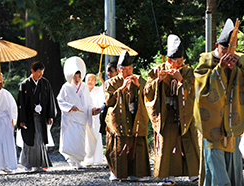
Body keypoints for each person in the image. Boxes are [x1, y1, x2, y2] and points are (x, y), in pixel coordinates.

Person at [144, 34, 200, 186]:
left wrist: (180, 80)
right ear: (169, 60)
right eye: (177, 61)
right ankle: (170, 177)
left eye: (182, 60)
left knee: (189, 141)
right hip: (167, 112)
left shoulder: (187, 71)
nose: (180, 63)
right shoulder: (158, 70)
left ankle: (194, 174)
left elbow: (193, 90)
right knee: (168, 143)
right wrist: (158, 81)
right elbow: (146, 91)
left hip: (185, 112)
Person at [194, 18, 244, 186]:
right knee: (215, 160)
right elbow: (201, 87)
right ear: (217, 46)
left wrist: (235, 71)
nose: (229, 53)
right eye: (225, 49)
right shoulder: (206, 60)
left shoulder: (239, 60)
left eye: (232, 49)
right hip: (212, 121)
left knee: (233, 159)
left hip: (232, 118)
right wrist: (219, 70)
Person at [105, 50, 151, 181]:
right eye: (125, 69)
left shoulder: (140, 80)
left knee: (138, 140)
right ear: (119, 70)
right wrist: (122, 89)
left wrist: (139, 87)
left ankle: (138, 173)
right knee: (120, 141)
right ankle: (117, 172)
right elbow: (109, 101)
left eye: (130, 68)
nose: (128, 72)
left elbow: (149, 94)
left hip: (135, 114)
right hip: (119, 117)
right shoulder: (112, 82)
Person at [57, 56, 101, 169]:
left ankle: (79, 160)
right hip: (71, 118)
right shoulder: (66, 87)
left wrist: (92, 109)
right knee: (70, 140)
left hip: (82, 117)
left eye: (79, 76)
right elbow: (60, 100)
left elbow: (89, 102)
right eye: (75, 76)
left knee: (80, 140)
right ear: (71, 76)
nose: (77, 78)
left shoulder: (84, 87)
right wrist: (70, 107)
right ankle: (71, 161)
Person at [17, 61, 56, 172]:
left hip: (41, 117)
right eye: (39, 72)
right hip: (29, 118)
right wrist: (22, 119)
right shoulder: (24, 84)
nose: (41, 75)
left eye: (42, 72)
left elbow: (50, 100)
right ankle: (28, 165)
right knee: (29, 140)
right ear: (32, 71)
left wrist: (50, 116)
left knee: (40, 140)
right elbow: (21, 104)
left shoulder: (45, 83)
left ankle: (39, 164)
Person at [82, 73, 105, 166]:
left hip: (95, 116)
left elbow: (105, 90)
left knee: (96, 135)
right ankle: (86, 159)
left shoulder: (98, 90)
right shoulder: (82, 90)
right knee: (86, 137)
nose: (90, 81)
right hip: (85, 116)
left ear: (96, 81)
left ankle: (97, 159)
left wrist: (101, 79)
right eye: (89, 79)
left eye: (93, 79)